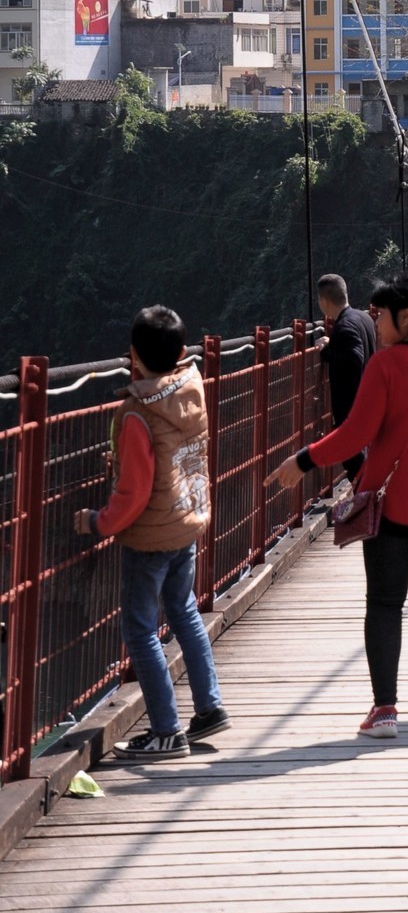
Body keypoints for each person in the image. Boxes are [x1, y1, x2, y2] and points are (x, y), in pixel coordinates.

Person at [269, 273, 408, 736]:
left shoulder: (386, 368)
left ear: (405, 316)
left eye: (381, 315)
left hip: (395, 508)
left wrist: (304, 459)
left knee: (385, 604)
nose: (376, 322)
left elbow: (355, 434)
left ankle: (385, 711)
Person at [73, 306, 227, 762]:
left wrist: (99, 521)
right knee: (183, 611)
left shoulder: (137, 414)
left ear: (133, 356)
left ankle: (166, 731)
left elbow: (134, 492)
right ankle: (209, 705)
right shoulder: (192, 389)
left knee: (140, 631)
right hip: (188, 519)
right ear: (183, 352)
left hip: (151, 536)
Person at [314, 272, 376, 480]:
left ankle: (367, 510)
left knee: (357, 471)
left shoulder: (345, 326)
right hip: (369, 405)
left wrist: (326, 352)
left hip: (351, 413)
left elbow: (353, 360)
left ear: (323, 300)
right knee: (364, 469)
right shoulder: (364, 318)